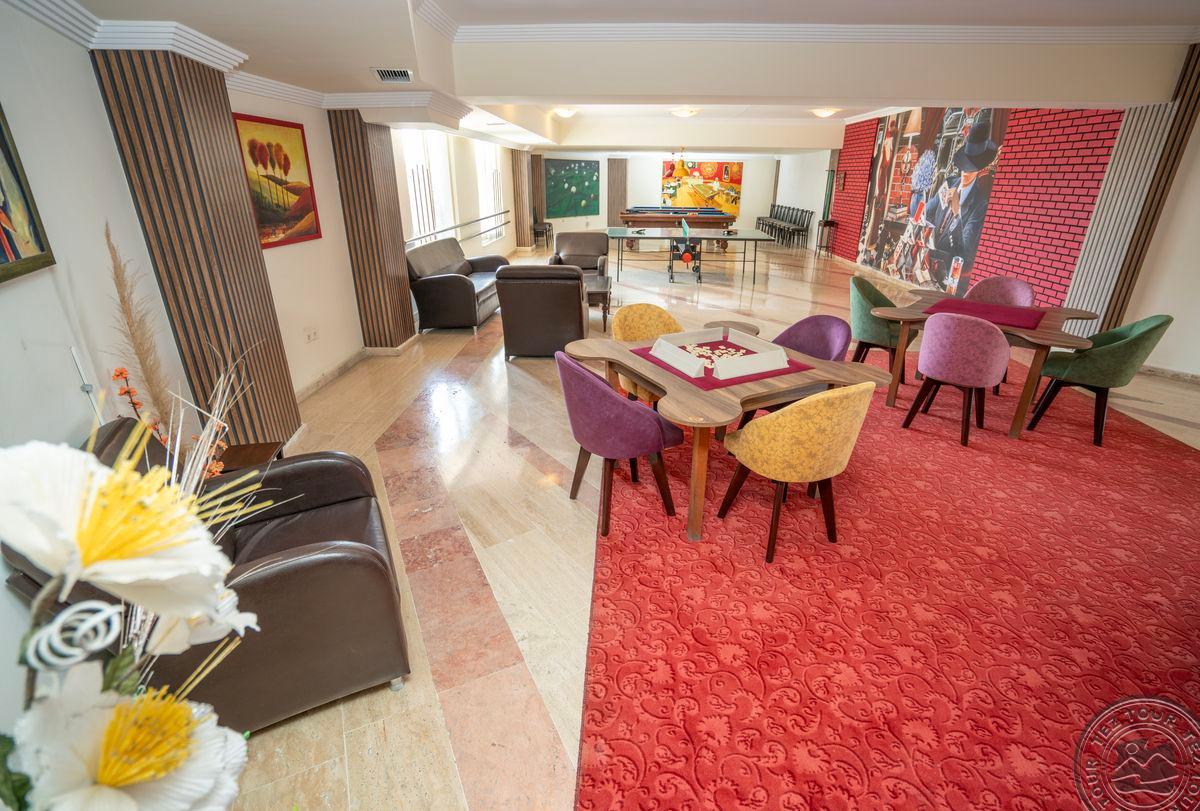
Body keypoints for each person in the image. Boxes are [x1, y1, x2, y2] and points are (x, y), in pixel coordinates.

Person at [924, 110, 999, 290]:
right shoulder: (949, 182)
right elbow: (927, 212)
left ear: (980, 169)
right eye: (964, 167)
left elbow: (964, 251)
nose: (965, 172)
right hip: (929, 260)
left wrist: (957, 212)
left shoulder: (980, 205)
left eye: (971, 168)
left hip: (951, 273)